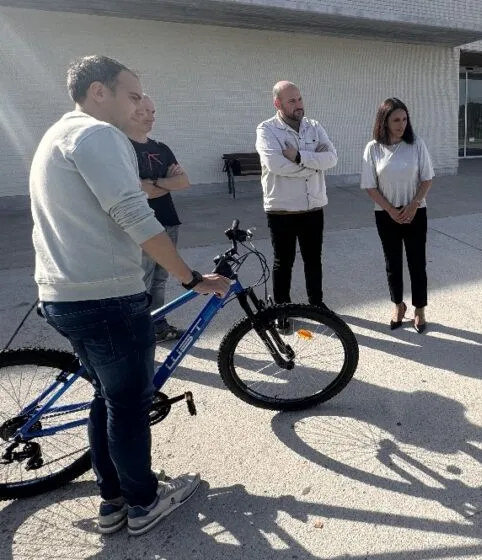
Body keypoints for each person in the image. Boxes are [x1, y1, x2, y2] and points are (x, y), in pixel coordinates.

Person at [30, 55, 230, 536]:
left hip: (65, 293)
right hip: (107, 297)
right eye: (133, 94)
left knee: (110, 398)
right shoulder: (100, 136)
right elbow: (137, 215)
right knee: (129, 404)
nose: (142, 104)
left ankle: (114, 498)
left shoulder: (58, 134)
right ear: (99, 91)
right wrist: (190, 277)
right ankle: (143, 503)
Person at [255, 81, 337, 311]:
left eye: (299, 98)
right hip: (282, 210)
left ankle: (317, 304)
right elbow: (276, 165)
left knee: (313, 260)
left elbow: (332, 158)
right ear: (277, 103)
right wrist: (314, 163)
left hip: (313, 207)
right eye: (292, 101)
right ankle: (282, 311)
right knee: (284, 262)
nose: (298, 104)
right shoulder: (267, 130)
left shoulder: (314, 126)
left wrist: (299, 156)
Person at [360, 98, 434, 333]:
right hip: (385, 215)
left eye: (404, 119)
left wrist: (413, 205)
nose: (401, 124)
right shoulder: (373, 148)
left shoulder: (416, 144)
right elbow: (371, 186)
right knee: (392, 263)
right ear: (384, 121)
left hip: (416, 212)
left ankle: (419, 309)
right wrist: (391, 210)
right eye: (395, 120)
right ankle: (397, 305)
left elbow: (427, 178)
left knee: (417, 262)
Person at [121, 94, 190, 342]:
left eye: (153, 112)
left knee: (160, 279)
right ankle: (138, 331)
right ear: (130, 112)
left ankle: (157, 325)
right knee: (142, 280)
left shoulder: (161, 148)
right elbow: (139, 190)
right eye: (144, 112)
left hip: (168, 220)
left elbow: (183, 181)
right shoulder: (122, 148)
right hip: (143, 224)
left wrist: (155, 183)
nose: (150, 117)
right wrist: (163, 184)